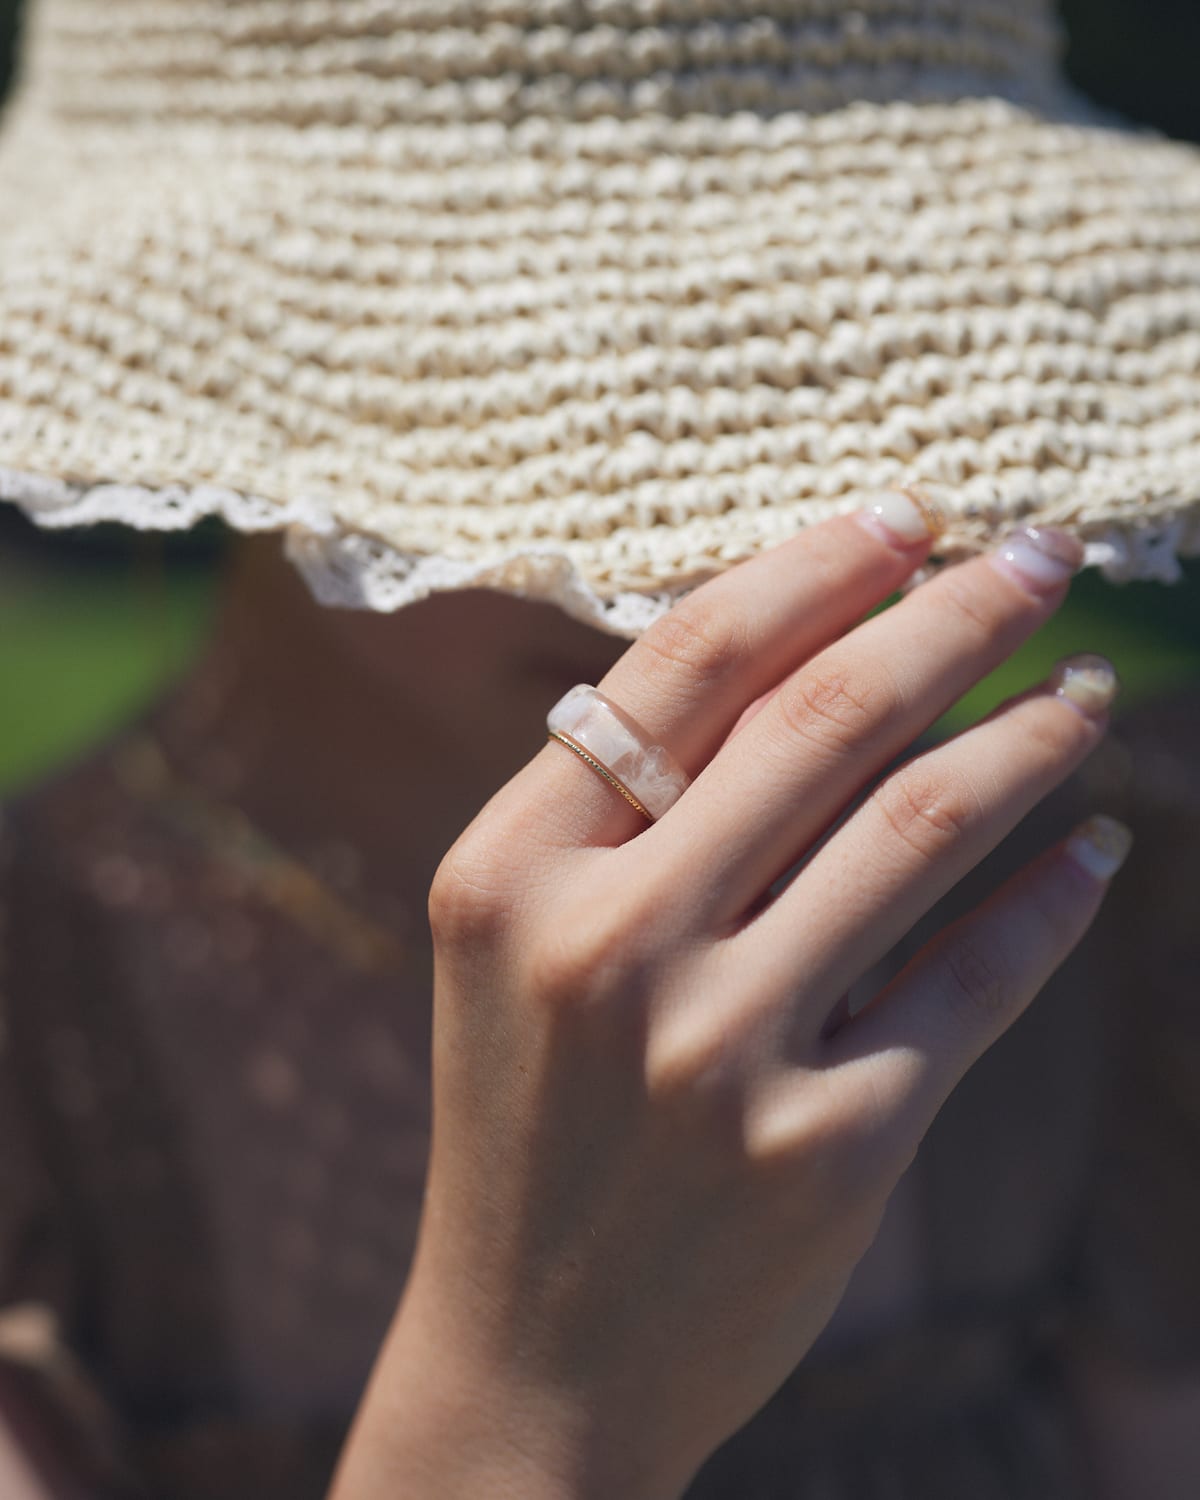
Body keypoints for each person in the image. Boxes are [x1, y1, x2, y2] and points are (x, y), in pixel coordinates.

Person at [0, 2, 1199, 1497]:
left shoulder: (1119, 913)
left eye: (826, 382)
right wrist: (525, 1398)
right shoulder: (45, 1048)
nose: (703, 553)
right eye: (563, 396)